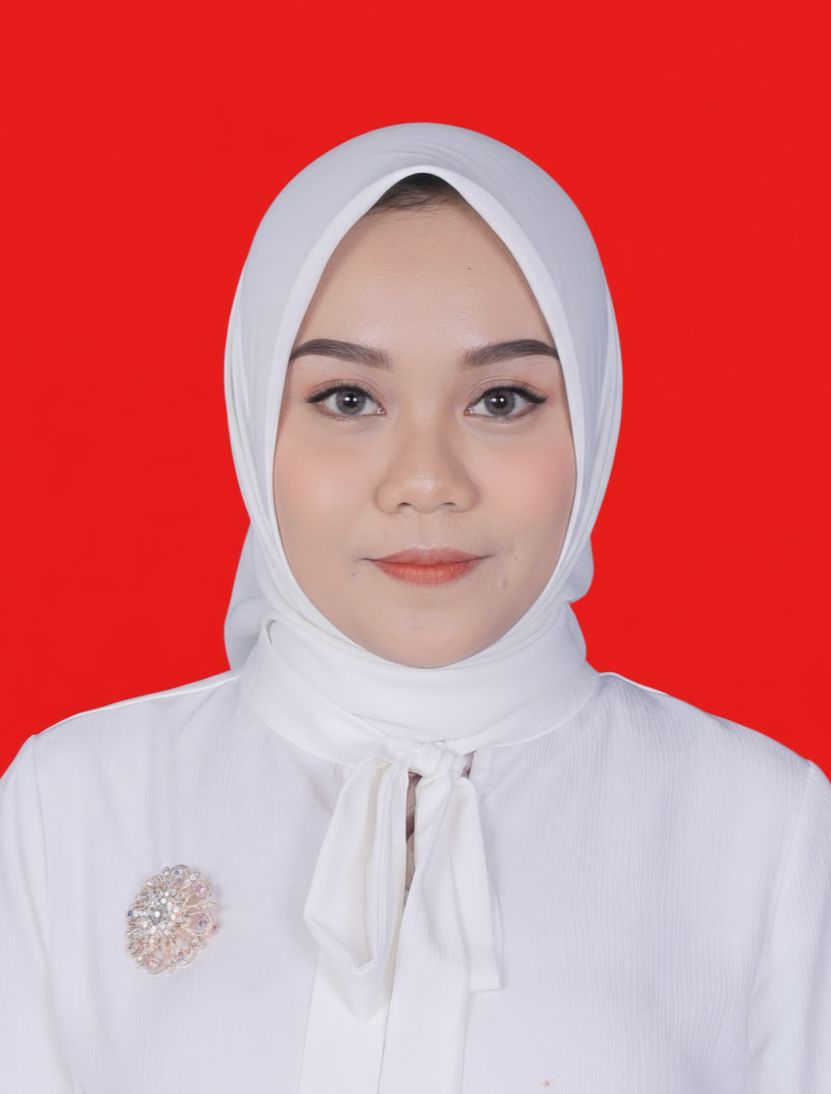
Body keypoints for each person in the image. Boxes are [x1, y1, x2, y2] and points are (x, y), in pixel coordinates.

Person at [1, 122, 828, 1094]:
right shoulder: (72, 806)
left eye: (502, 400)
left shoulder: (763, 830)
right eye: (349, 399)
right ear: (254, 419)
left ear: (593, 421)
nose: (426, 482)